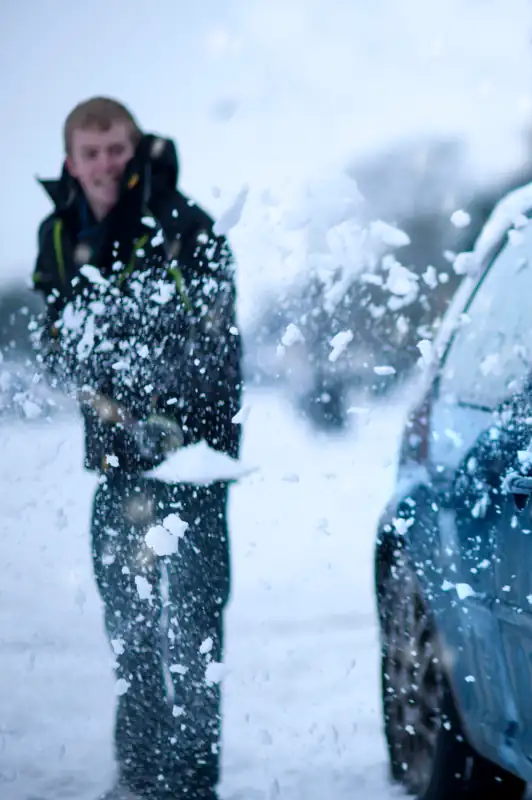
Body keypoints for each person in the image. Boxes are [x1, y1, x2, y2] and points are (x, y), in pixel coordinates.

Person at [30, 96, 242, 800]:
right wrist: (102, 382)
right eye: (90, 153)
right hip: (117, 471)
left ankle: (189, 786)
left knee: (192, 639)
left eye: (116, 149)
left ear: (136, 146)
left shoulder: (184, 223)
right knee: (131, 636)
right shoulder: (58, 235)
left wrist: (141, 369)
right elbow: (59, 347)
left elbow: (214, 335)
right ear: (71, 161)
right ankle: (142, 779)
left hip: (193, 465)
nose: (104, 164)